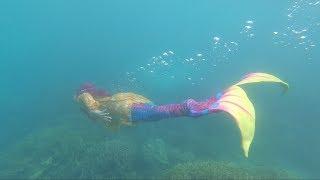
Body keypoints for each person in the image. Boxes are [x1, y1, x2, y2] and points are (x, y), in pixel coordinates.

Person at [75, 72, 288, 157]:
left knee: (164, 112)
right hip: (132, 106)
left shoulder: (84, 97)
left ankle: (199, 106)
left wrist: (94, 112)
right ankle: (212, 100)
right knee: (161, 112)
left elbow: (89, 103)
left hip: (129, 110)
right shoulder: (104, 98)